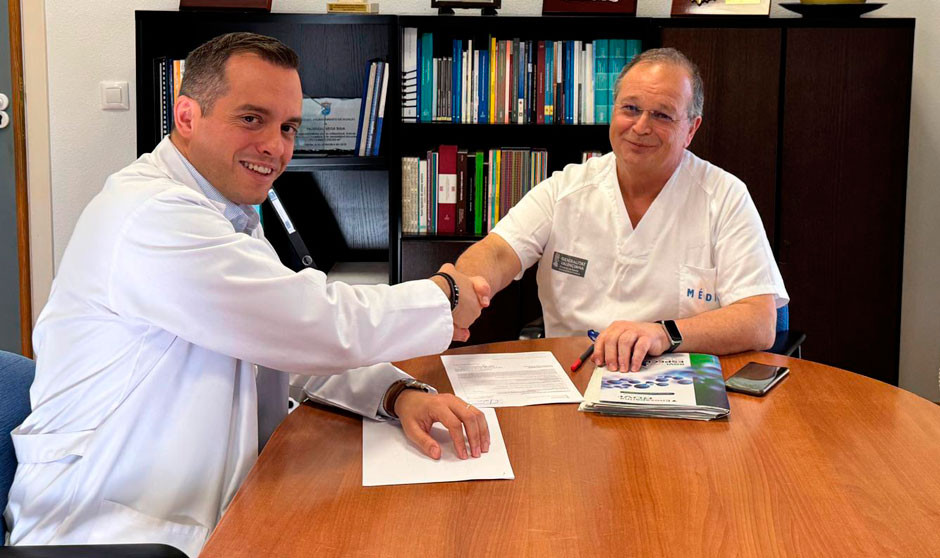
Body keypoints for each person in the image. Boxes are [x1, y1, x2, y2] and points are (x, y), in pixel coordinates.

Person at [4, 33, 491, 557]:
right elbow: (309, 323)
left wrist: (398, 394)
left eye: (288, 127)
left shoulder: (224, 207)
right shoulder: (153, 215)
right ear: (187, 116)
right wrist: (444, 294)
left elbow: (277, 338)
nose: (277, 147)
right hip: (111, 529)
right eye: (251, 119)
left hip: (200, 504)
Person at [456, 47, 788, 373]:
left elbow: (759, 320)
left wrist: (664, 333)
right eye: (631, 108)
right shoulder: (567, 189)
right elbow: (498, 252)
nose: (641, 126)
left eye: (662, 115)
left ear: (691, 129)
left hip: (679, 377)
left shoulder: (724, 196)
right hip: (575, 374)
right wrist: (466, 284)